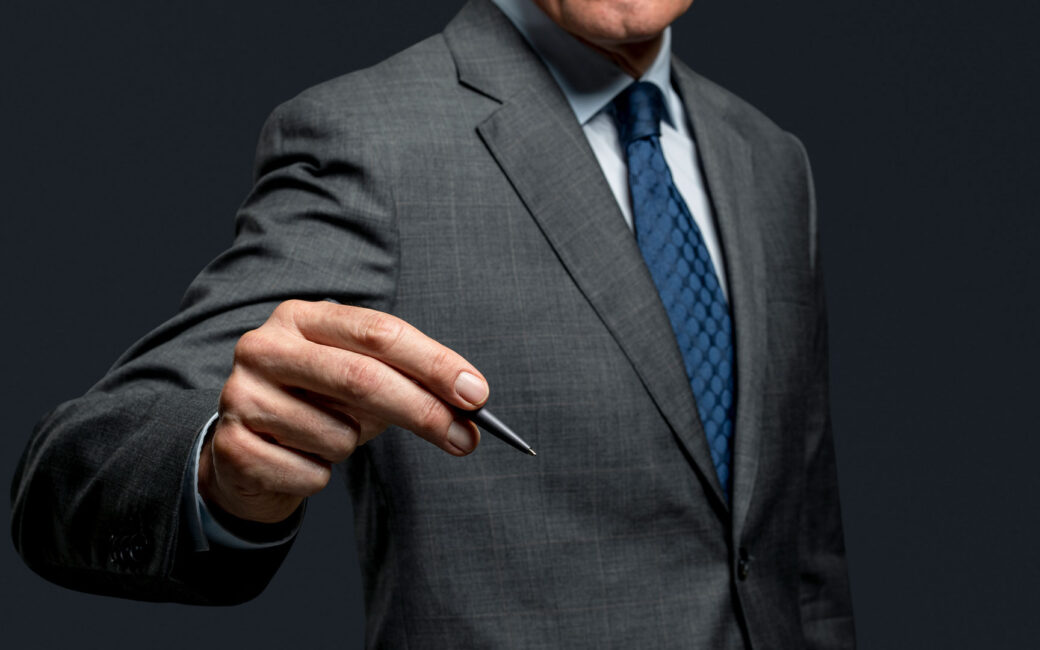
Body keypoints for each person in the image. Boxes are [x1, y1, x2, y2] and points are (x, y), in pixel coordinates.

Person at [11, 0, 855, 647]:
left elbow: (800, 555)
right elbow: (67, 481)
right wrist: (221, 477)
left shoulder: (771, 162)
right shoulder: (372, 142)